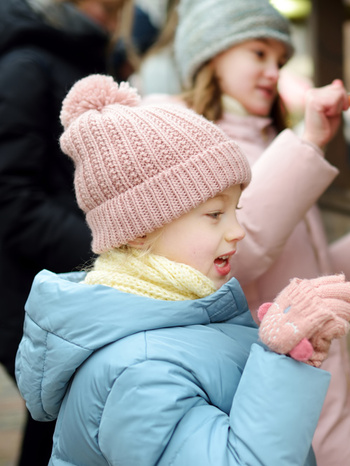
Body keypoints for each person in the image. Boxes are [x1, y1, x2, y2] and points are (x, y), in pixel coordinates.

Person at [15, 74, 350, 465]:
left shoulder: (179, 318)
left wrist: (289, 357)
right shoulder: (142, 371)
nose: (237, 231)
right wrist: (280, 363)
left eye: (237, 210)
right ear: (140, 230)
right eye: (215, 214)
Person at [165, 1, 350, 464]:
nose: (271, 71)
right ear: (209, 55)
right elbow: (235, 257)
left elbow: (296, 266)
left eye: (279, 60)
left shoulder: (266, 141)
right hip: (269, 375)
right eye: (258, 53)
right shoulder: (189, 147)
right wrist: (309, 141)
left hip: (312, 365)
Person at [0, 1, 133, 464]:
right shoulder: (25, 66)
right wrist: (113, 248)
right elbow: (11, 201)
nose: (112, 12)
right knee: (61, 415)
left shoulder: (85, 59)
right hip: (32, 294)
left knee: (66, 422)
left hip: (76, 284)